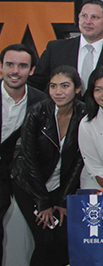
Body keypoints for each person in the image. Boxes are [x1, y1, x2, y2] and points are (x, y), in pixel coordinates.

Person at [12, 65, 85, 266]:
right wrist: (43, 202)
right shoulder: (37, 112)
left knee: (63, 241)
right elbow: (28, 159)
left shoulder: (84, 114)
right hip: (30, 185)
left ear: (77, 88)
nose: (58, 92)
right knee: (45, 240)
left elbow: (80, 161)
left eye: (64, 86)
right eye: (53, 86)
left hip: (62, 187)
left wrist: (62, 200)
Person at [0, 44, 46, 261]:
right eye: (9, 64)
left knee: (46, 237)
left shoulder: (41, 101)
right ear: (1, 67)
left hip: (24, 175)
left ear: (32, 70)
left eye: (22, 66)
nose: (15, 71)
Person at [31, 0, 103, 91]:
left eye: (94, 17)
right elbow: (37, 85)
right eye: (84, 16)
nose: (88, 22)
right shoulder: (55, 49)